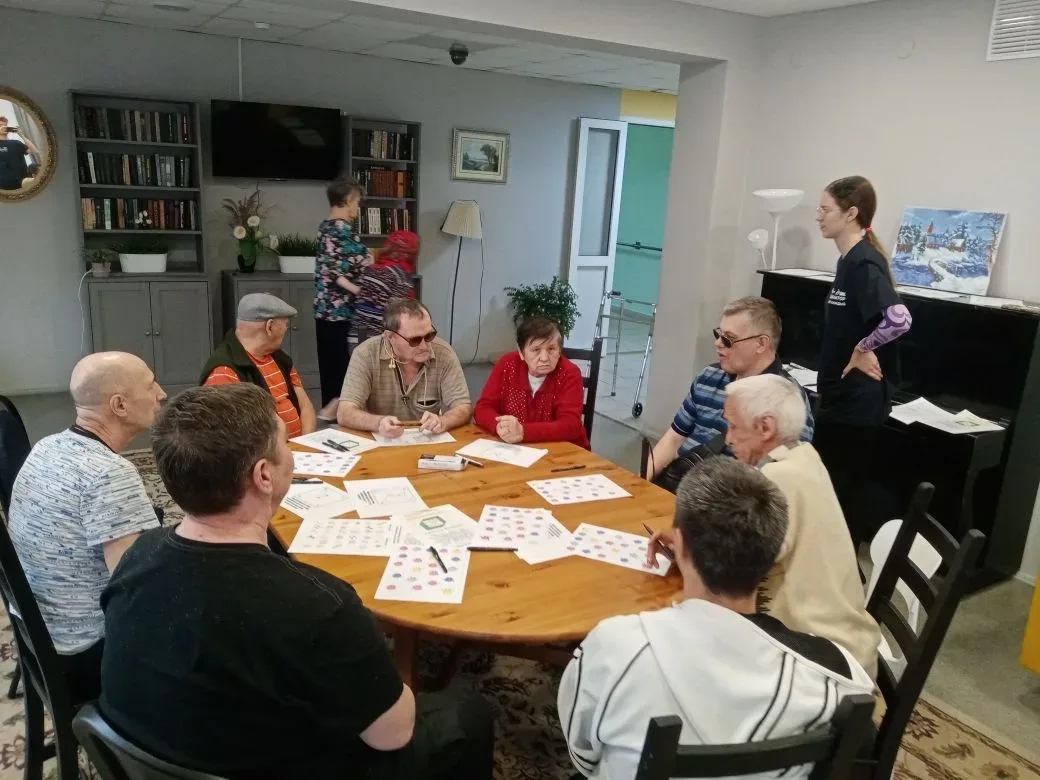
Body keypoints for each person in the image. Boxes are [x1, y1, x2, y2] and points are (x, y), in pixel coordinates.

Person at [99, 384, 495, 779]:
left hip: (153, 754)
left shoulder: (138, 554)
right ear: (264, 475)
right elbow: (393, 734)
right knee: (465, 712)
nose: (292, 454)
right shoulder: (318, 605)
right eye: (286, 444)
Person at [559, 457, 875, 780]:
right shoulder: (840, 680)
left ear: (680, 546)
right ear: (772, 555)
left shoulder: (613, 649)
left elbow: (583, 756)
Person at [7, 352, 165, 702]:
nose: (161, 393)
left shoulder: (46, 446)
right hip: (84, 655)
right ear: (119, 405)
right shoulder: (110, 474)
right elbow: (136, 589)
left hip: (38, 634)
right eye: (151, 385)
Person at [719, 373, 880, 676]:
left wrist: (688, 544)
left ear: (765, 427)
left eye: (734, 426)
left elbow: (734, 568)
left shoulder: (779, 478)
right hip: (845, 642)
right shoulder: (805, 457)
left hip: (821, 658)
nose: (727, 438)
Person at [813, 175, 912, 546]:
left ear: (851, 213)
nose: (818, 216)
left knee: (842, 497)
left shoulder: (864, 263)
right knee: (829, 492)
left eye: (825, 209)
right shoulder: (848, 260)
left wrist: (863, 347)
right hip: (840, 397)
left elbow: (899, 319)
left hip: (857, 403)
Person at [648, 296, 814, 481]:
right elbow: (674, 438)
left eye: (729, 339)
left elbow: (778, 481)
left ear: (761, 344)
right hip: (680, 484)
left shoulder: (788, 403)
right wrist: (640, 483)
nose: (718, 343)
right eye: (718, 334)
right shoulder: (708, 377)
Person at [337, 298, 473, 437]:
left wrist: (443, 421)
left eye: (429, 336)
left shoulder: (444, 353)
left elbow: (463, 407)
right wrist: (378, 423)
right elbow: (344, 412)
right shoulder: (366, 354)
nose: (424, 346)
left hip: (425, 438)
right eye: (415, 340)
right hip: (379, 438)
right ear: (390, 337)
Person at [200, 292, 317, 439]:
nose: (286, 329)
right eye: (285, 325)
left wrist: (305, 444)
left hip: (298, 449)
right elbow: (233, 437)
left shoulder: (280, 358)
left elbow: (305, 406)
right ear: (270, 327)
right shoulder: (224, 372)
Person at [474, 316, 589, 449]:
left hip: (563, 451)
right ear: (521, 352)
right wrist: (500, 426)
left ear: (559, 350)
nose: (544, 358)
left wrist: (523, 431)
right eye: (536, 350)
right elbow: (483, 408)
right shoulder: (507, 365)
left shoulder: (570, 373)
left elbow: (570, 425)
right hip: (515, 450)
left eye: (551, 349)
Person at [314, 176, 372, 420]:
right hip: (340, 311)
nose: (357, 208)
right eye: (356, 202)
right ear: (347, 201)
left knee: (330, 363)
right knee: (343, 364)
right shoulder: (341, 230)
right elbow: (335, 272)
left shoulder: (325, 228)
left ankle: (333, 410)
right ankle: (341, 411)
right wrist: (358, 290)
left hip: (324, 309)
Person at [353, 228, 418, 339]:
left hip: (355, 335)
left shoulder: (371, 269)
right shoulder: (401, 276)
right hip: (380, 339)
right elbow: (399, 315)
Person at [0, 116, 39, 191]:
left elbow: (34, 151)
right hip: (4, 185)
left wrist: (22, 135)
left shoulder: (16, 143)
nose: (3, 127)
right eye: (0, 125)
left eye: (5, 125)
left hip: (23, 182)